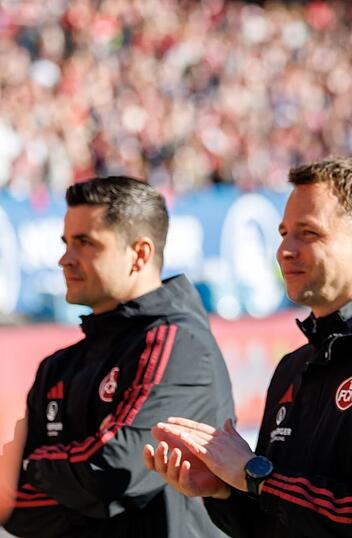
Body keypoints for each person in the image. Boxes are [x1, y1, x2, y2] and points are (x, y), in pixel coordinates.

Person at [144, 157, 352, 537]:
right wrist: (224, 490)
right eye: (284, 233)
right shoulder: (295, 366)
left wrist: (255, 477)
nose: (285, 249)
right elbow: (275, 521)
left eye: (309, 233)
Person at [1, 176, 235, 537]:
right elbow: (16, 504)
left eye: (85, 243)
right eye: (66, 243)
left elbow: (113, 469)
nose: (65, 259)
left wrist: (34, 464)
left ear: (140, 254)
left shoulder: (176, 342)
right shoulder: (59, 366)